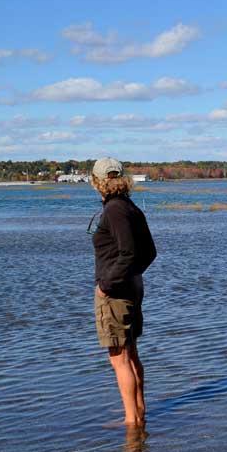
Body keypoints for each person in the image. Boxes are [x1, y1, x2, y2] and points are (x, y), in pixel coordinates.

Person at [90, 157, 156, 427]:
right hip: (131, 287)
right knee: (130, 354)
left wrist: (107, 285)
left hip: (116, 293)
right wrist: (131, 276)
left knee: (120, 358)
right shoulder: (130, 208)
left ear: (98, 182)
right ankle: (138, 413)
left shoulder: (115, 210)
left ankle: (131, 421)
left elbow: (130, 253)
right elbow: (148, 252)